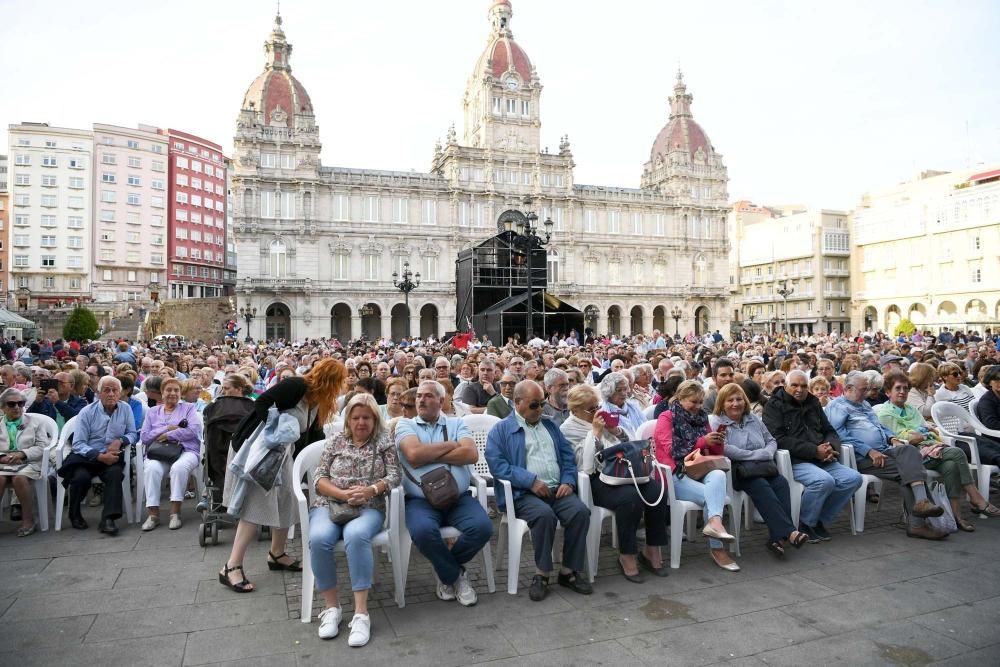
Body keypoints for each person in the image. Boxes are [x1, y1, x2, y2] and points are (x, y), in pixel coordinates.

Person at [220, 358, 346, 593]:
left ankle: (276, 554)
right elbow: (262, 402)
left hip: (282, 456)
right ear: (329, 380)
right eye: (338, 383)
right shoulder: (296, 386)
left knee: (288, 500)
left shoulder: (317, 402)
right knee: (254, 505)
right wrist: (277, 428)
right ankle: (231, 566)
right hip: (259, 450)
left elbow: (314, 438)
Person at [486, 381, 592, 600]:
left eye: (542, 404)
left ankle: (568, 571)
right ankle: (542, 574)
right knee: (545, 516)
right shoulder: (501, 430)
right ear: (517, 403)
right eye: (534, 405)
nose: (540, 409)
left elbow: (567, 457)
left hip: (556, 489)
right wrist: (530, 481)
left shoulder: (550, 425)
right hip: (523, 494)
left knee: (580, 512)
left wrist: (568, 481)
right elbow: (498, 466)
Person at [309, 394, 400, 646]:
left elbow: (394, 476)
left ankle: (361, 614)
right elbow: (319, 477)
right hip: (331, 503)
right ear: (348, 419)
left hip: (369, 505)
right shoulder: (335, 440)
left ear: (375, 419)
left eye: (366, 417)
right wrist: (341, 494)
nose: (361, 422)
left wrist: (370, 490)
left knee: (356, 535)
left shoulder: (384, 442)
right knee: (318, 538)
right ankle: (332, 608)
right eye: (356, 417)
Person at [395, 380, 492, 606]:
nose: (421, 400)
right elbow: (413, 455)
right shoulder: (405, 425)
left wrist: (428, 454)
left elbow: (470, 454)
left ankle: (446, 571)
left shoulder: (457, 423)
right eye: (419, 396)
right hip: (420, 501)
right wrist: (450, 446)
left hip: (458, 497)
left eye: (428, 396)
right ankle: (456, 577)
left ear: (441, 401)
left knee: (482, 528)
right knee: (422, 531)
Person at [561, 384, 668, 581]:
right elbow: (584, 465)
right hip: (595, 479)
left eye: (597, 406)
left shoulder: (600, 419)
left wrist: (616, 430)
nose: (597, 412)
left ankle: (652, 548)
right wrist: (595, 433)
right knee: (630, 498)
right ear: (575, 410)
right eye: (591, 409)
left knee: (656, 490)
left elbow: (627, 444)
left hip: (621, 471)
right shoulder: (568, 429)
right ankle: (626, 555)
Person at [825, 371, 947, 540]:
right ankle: (917, 523)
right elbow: (838, 435)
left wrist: (893, 438)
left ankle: (921, 504)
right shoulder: (838, 406)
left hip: (884, 449)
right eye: (863, 389)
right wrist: (869, 450)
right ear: (848, 388)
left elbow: (879, 427)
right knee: (907, 472)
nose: (867, 393)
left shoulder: (865, 404)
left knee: (910, 450)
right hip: (862, 457)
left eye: (867, 389)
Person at [875, 371, 1000, 526]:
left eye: (906, 388)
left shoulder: (911, 410)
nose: (902, 392)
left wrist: (923, 432)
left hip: (930, 449)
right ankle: (977, 498)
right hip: (911, 457)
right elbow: (900, 437)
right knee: (957, 452)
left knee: (951, 465)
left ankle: (955, 516)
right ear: (888, 392)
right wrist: (921, 433)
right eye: (898, 388)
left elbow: (925, 428)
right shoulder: (884, 413)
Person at [762, 370, 862, 543]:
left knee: (853, 478)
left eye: (803, 386)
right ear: (785, 386)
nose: (799, 390)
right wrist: (813, 450)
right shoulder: (774, 405)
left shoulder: (813, 402)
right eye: (794, 385)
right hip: (795, 460)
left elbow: (829, 430)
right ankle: (805, 522)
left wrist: (830, 447)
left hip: (822, 457)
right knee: (824, 481)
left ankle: (818, 520)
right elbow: (778, 439)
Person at [710, 383, 808, 557]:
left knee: (781, 483)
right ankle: (790, 532)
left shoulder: (753, 418)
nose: (735, 403)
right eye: (730, 400)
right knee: (760, 484)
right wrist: (755, 455)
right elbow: (724, 449)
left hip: (763, 466)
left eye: (739, 399)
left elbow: (771, 440)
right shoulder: (717, 422)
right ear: (722, 403)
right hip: (738, 470)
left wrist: (766, 453)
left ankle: (776, 538)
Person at [654, 379, 739, 571]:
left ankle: (714, 523)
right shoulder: (666, 417)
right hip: (675, 473)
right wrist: (702, 441)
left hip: (699, 469)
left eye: (700, 402)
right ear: (680, 399)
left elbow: (714, 452)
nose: (698, 407)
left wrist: (717, 441)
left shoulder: (702, 418)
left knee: (718, 475)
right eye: (693, 402)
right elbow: (671, 449)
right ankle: (717, 548)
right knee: (714, 497)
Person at [59, 376, 138, 534]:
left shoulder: (125, 409)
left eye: (114, 390)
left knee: (115, 474)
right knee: (80, 477)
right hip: (87, 456)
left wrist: (121, 440)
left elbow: (132, 433)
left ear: (120, 392)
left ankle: (108, 519)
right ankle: (74, 513)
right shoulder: (87, 412)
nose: (111, 394)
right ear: (99, 393)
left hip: (112, 455)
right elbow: (78, 443)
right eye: (106, 390)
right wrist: (99, 456)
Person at [139, 377, 203, 531]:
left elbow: (192, 430)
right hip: (159, 452)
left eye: (176, 390)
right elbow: (145, 436)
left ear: (181, 393)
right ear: (162, 392)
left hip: (186, 450)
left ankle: (175, 512)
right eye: (168, 390)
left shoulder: (188, 408)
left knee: (179, 468)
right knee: (152, 469)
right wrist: (167, 428)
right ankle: (153, 514)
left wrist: (169, 436)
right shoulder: (153, 412)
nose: (172, 393)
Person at [0, 388, 51, 536]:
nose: (17, 407)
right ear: (3, 407)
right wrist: (2, 457)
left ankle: (28, 519)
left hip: (29, 461)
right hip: (3, 462)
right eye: (11, 404)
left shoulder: (36, 422)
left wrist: (23, 453)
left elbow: (43, 447)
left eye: (20, 403)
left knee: (19, 478)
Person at [201, 373, 255, 510]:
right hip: (224, 450)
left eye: (226, 388)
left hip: (224, 453)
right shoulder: (252, 406)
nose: (224, 392)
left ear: (239, 388)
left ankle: (220, 503)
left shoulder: (216, 406)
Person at [598, 372, 645, 437]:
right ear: (608, 392)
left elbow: (645, 427)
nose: (623, 393)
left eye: (625, 389)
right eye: (619, 390)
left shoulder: (633, 406)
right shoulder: (604, 412)